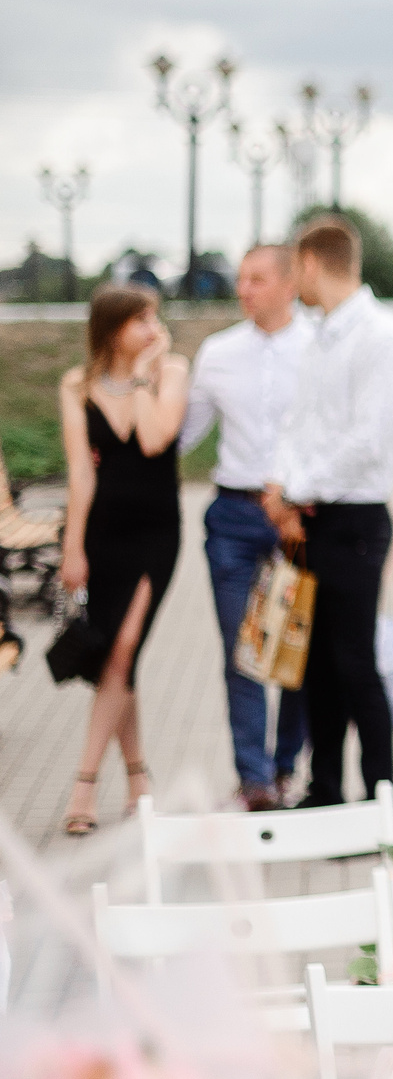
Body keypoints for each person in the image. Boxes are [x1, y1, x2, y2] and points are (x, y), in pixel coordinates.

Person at [263, 217, 393, 809]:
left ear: (310, 263)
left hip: (356, 519)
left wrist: (296, 487)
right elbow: (296, 422)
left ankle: (381, 800)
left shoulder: (383, 339)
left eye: (293, 269)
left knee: (356, 664)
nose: (292, 282)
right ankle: (325, 792)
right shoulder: (320, 337)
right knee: (316, 666)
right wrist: (279, 482)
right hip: (313, 518)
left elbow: (369, 441)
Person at [182, 245, 314, 810]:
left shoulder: (319, 346)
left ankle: (286, 767)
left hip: (299, 518)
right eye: (240, 279)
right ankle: (254, 780)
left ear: (289, 284)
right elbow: (182, 433)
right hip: (234, 516)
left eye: (257, 279)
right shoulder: (218, 353)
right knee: (242, 650)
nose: (244, 290)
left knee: (295, 651)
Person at [56, 287, 189, 835]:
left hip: (156, 534)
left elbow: (155, 439)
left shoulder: (171, 372)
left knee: (124, 647)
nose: (153, 328)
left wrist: (140, 374)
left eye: (154, 317)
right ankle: (138, 780)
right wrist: (73, 546)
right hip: (104, 536)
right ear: (112, 329)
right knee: (117, 659)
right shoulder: (75, 385)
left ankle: (83, 786)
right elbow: (81, 473)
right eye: (140, 320)